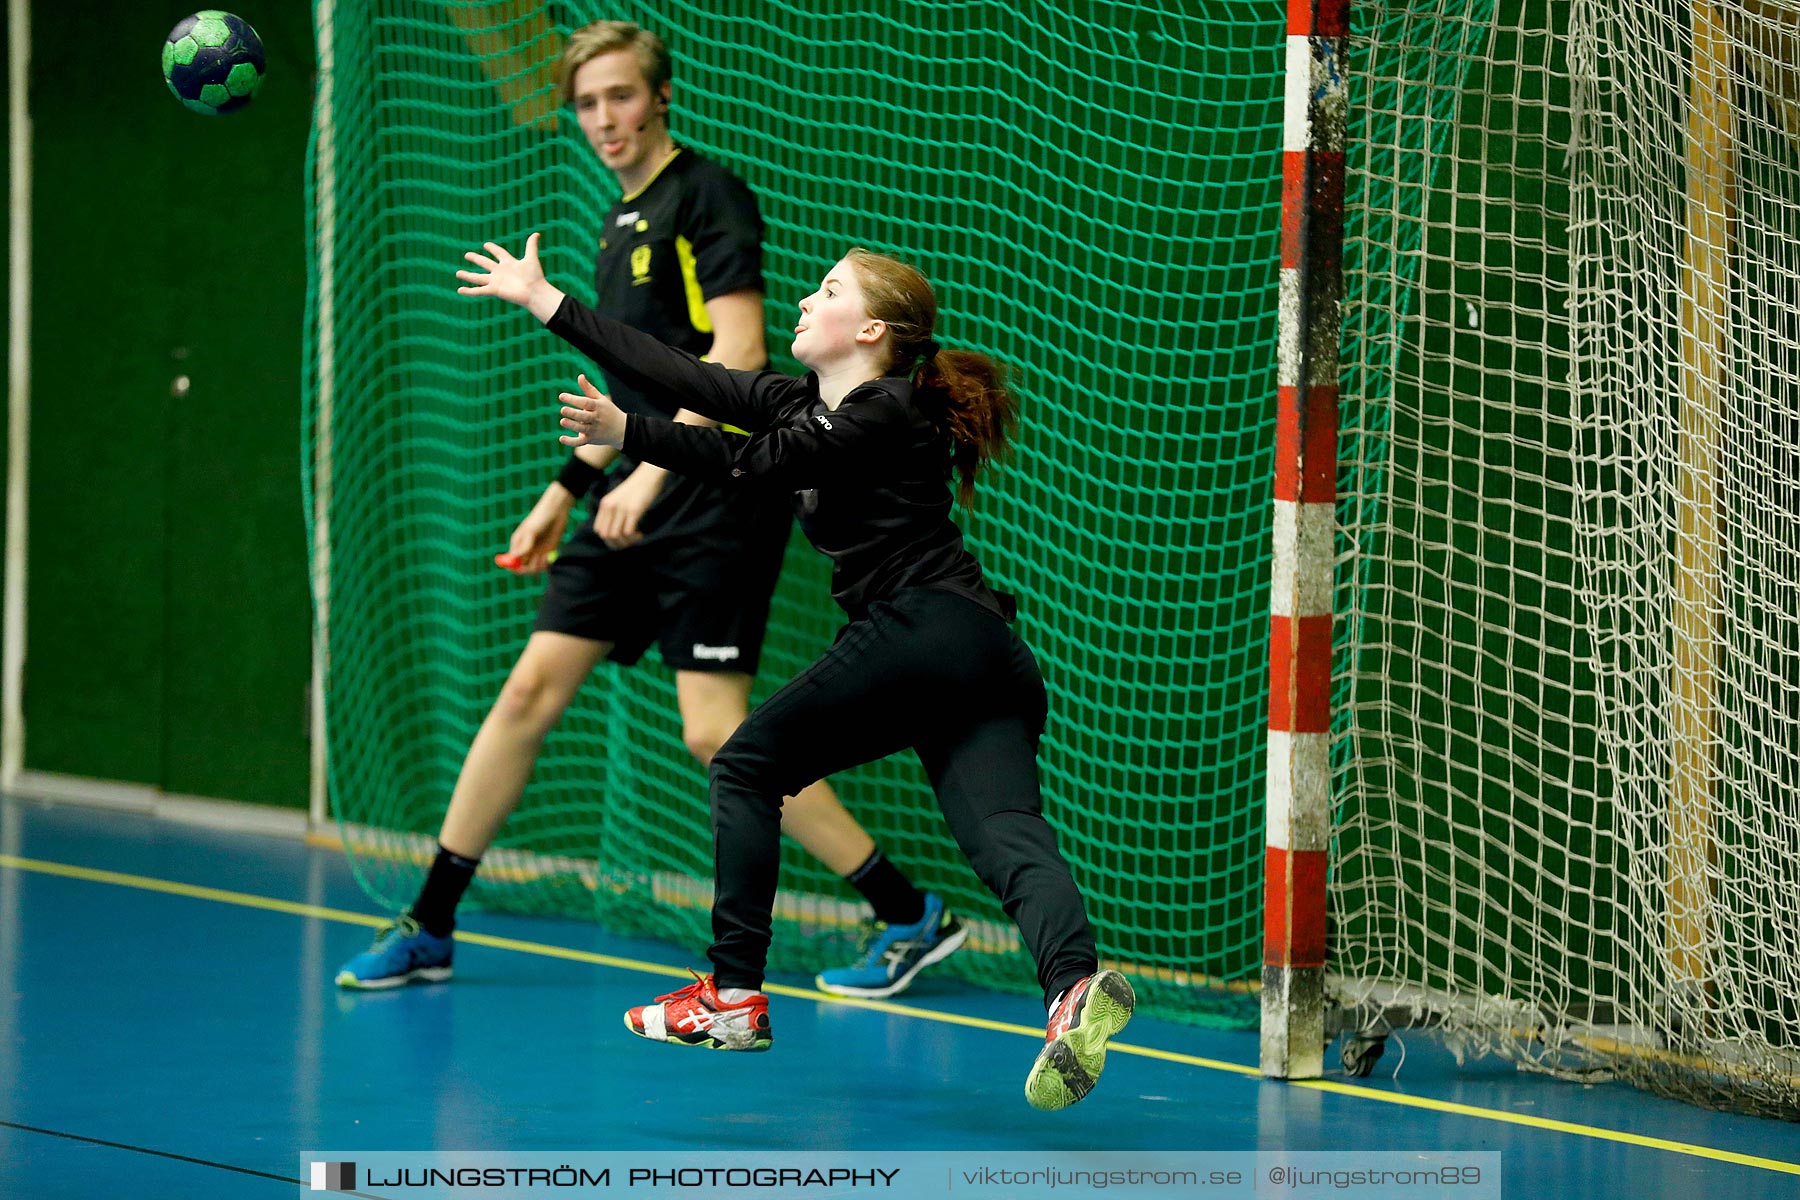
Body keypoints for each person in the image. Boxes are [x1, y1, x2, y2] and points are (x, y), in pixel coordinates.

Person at [337, 21, 965, 1000]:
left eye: (620, 96)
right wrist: (561, 496)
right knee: (527, 694)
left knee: (716, 734)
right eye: (586, 103)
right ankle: (430, 923)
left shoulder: (705, 196)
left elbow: (739, 355)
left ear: (660, 95)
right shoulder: (613, 223)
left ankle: (906, 913)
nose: (604, 119)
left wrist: (648, 475)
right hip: (633, 492)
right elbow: (629, 386)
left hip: (710, 501)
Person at [455, 234, 1134, 1111]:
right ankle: (1072, 988)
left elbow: (750, 465)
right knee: (1005, 832)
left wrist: (632, 436)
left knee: (743, 763)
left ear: (872, 330)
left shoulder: (881, 414)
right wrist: (549, 304)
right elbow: (685, 373)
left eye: (827, 291)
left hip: (921, 628)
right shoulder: (800, 400)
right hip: (980, 651)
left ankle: (731, 993)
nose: (807, 304)